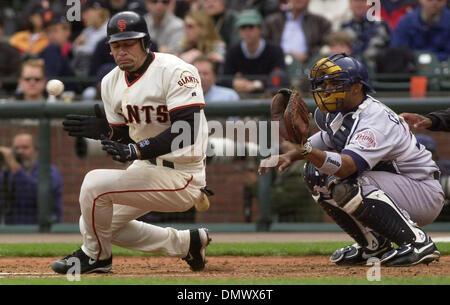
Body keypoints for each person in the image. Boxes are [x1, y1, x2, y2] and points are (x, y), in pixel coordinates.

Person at [53, 11, 211, 275]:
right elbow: (127, 136)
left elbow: (186, 129)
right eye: (116, 45)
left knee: (93, 184)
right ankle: (187, 243)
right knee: (93, 222)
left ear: (145, 43)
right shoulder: (110, 82)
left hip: (183, 173)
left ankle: (96, 257)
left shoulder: (176, 70)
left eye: (129, 43)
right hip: (147, 169)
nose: (122, 51)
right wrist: (109, 132)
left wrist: (137, 149)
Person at [259, 52, 444, 266]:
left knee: (346, 181)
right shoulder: (337, 112)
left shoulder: (374, 120)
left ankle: (417, 243)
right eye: (324, 83)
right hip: (393, 186)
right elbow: (326, 139)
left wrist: (306, 149)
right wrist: (291, 155)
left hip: (422, 192)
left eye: (334, 83)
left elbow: (346, 168)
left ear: (356, 87)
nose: (326, 88)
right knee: (314, 173)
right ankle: (373, 246)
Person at [0, 132, 62, 225]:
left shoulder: (50, 171)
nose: (20, 152)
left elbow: (38, 195)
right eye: (16, 148)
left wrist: (16, 168)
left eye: (25, 147)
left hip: (44, 229)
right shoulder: (7, 173)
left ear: (36, 151)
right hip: (13, 230)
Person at [221, 9, 288, 95]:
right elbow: (224, 78)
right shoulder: (233, 51)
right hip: (240, 96)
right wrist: (234, 82)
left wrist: (258, 84)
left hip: (268, 96)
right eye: (243, 28)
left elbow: (280, 77)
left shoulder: (275, 50)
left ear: (260, 29)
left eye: (251, 27)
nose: (247, 32)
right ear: (238, 31)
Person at [262, 0, 331, 64]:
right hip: (277, 65)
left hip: (308, 67)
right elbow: (264, 44)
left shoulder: (320, 23)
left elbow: (326, 45)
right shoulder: (272, 22)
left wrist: (307, 56)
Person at [340, 0, 391, 67]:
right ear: (350, 4)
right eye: (355, 1)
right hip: (348, 69)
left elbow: (374, 51)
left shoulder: (379, 24)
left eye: (363, 1)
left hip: (375, 70)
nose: (359, 4)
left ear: (369, 4)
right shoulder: (343, 26)